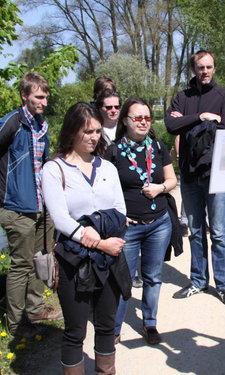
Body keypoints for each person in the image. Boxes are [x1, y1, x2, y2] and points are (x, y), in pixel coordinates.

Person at [42, 102, 129, 374]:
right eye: (87, 131)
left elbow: (120, 212)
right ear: (71, 132)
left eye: (97, 131)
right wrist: (97, 237)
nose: (94, 137)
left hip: (108, 259)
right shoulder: (54, 170)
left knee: (106, 325)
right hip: (73, 261)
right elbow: (61, 218)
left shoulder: (108, 169)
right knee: (75, 330)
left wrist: (97, 230)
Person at [165, 49, 225, 306]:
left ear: (214, 68)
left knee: (218, 232)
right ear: (193, 69)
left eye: (208, 67)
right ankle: (198, 281)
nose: (204, 71)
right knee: (196, 231)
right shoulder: (183, 97)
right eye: (200, 67)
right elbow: (171, 126)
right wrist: (202, 118)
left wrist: (188, 123)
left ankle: (223, 285)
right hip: (188, 173)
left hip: (217, 174)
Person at [106, 97, 177, 345]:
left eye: (147, 117)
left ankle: (150, 323)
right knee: (122, 279)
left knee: (154, 276)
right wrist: (118, 215)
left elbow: (172, 181)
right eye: (138, 117)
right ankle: (113, 328)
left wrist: (160, 188)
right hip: (128, 227)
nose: (144, 122)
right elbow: (105, 191)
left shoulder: (158, 147)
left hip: (159, 223)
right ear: (125, 120)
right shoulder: (113, 151)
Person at [0, 72, 62, 338]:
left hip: (41, 206)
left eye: (46, 96)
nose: (44, 101)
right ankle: (14, 325)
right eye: (39, 96)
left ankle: (36, 310)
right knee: (21, 265)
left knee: (40, 259)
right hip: (16, 207)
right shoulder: (11, 123)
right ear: (24, 95)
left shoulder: (41, 125)